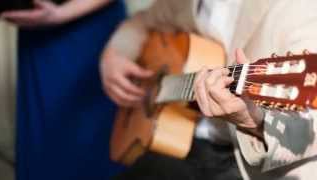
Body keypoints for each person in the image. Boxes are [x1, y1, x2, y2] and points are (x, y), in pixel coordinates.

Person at [100, 0, 317, 179]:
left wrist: (254, 120)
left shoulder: (299, 10)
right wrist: (115, 53)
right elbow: (143, 21)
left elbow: (309, 128)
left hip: (253, 166)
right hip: (185, 140)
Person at [1, 0, 126, 179]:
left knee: (92, 149)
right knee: (45, 151)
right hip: (38, 31)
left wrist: (63, 13)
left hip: (90, 30)